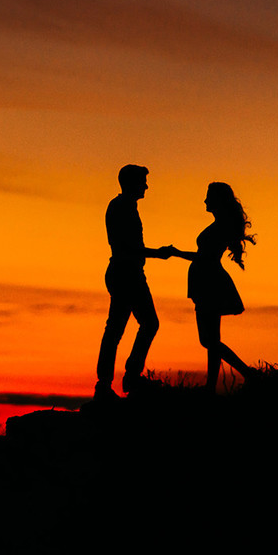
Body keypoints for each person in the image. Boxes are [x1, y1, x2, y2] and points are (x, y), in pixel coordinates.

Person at [94, 164, 175, 401]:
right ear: (132, 183)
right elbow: (125, 247)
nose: (146, 186)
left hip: (129, 273)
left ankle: (118, 380)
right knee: (131, 327)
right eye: (143, 181)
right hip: (125, 274)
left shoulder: (127, 207)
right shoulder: (121, 207)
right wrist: (157, 253)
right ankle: (116, 381)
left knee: (131, 327)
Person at [169, 182, 259, 392]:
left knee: (207, 340)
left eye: (208, 196)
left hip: (209, 281)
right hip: (207, 280)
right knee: (212, 339)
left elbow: (205, 257)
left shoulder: (220, 227)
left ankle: (247, 373)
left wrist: (176, 253)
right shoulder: (221, 224)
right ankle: (211, 386)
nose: (205, 200)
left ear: (218, 200)